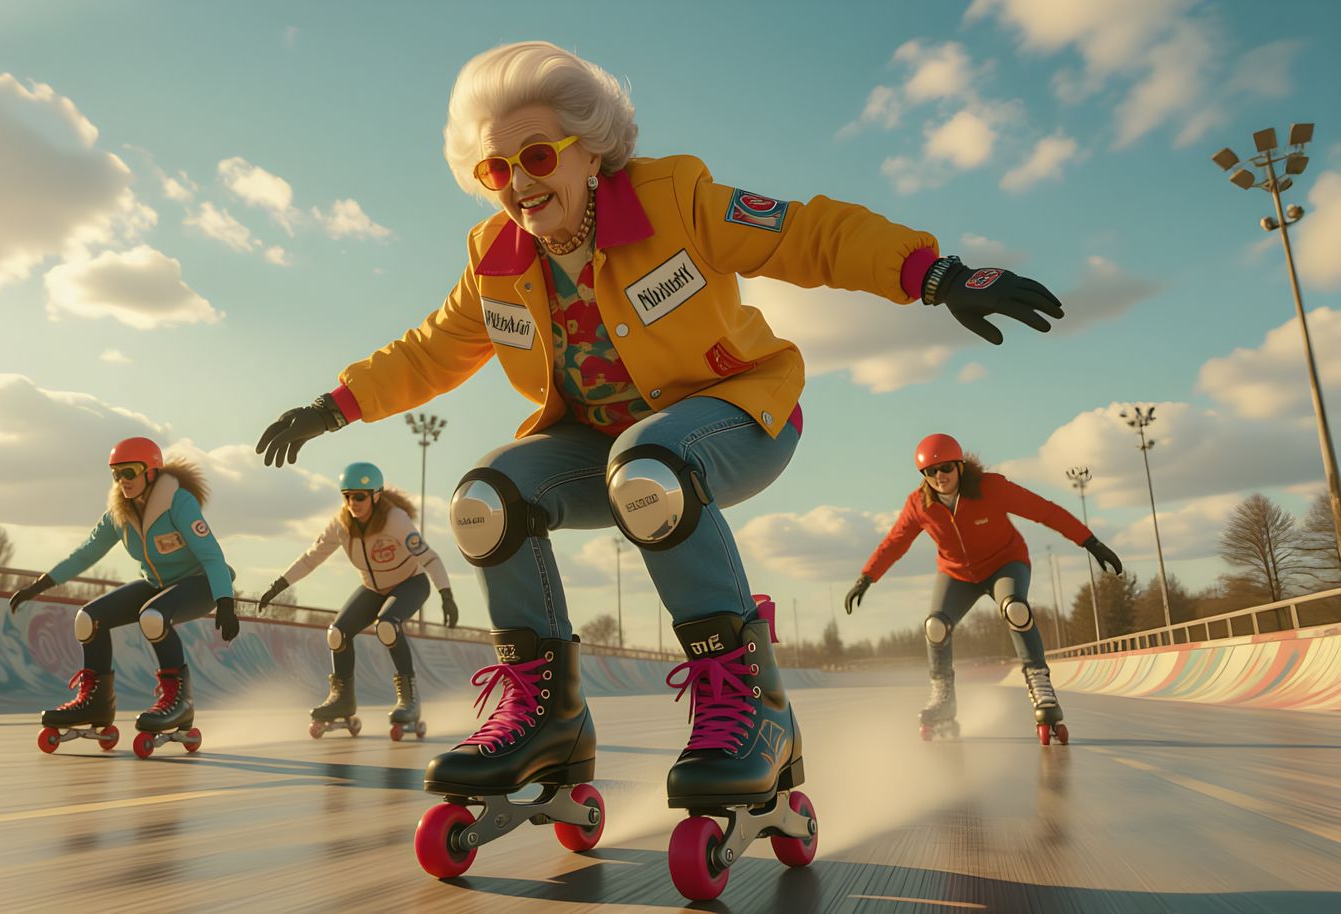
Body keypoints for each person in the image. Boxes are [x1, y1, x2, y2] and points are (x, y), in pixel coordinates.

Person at [252, 40, 1068, 891]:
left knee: (651, 464)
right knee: (487, 497)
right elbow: (429, 350)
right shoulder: (495, 255)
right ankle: (546, 716)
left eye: (537, 156)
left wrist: (934, 273)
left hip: (739, 415)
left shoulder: (675, 201)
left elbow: (808, 235)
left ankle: (753, 711)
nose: (520, 185)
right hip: (602, 448)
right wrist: (335, 405)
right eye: (497, 169)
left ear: (590, 149)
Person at [844, 433, 1122, 744]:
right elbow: (895, 543)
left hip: (1005, 563)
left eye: (946, 468)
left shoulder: (991, 487)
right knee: (935, 626)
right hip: (957, 575)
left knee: (1015, 609)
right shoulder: (919, 504)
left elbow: (1045, 511)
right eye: (930, 472)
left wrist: (1091, 542)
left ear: (960, 466)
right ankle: (942, 696)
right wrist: (865, 578)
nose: (939, 477)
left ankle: (1041, 688)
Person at [10, 437, 238, 754]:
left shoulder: (179, 502)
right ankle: (97, 703)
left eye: (129, 472)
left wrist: (226, 601)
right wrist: (40, 585)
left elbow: (212, 556)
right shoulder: (119, 513)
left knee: (153, 617)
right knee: (88, 619)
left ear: (152, 472)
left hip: (202, 582)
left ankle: (179, 701)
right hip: (158, 583)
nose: (123, 481)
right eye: (116, 474)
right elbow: (85, 554)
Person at [258, 462, 457, 739]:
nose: (353, 502)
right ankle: (342, 699)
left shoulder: (395, 519)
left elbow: (429, 557)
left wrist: (446, 594)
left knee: (386, 626)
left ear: (376, 496)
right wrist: (278, 585)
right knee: (336, 634)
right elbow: (311, 557)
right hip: (373, 588)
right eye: (348, 496)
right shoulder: (342, 525)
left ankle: (409, 699)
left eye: (360, 496)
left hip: (410, 583)